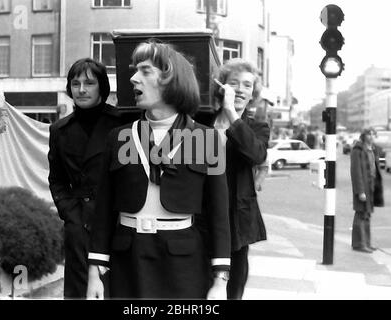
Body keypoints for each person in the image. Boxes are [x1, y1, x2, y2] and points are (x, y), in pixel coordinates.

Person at [86, 40, 231, 299]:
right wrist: (95, 273)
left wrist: (220, 280)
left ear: (170, 79)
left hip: (183, 263)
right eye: (135, 70)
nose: (133, 78)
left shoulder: (208, 139)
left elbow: (219, 213)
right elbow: (103, 211)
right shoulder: (118, 137)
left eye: (145, 71)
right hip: (127, 259)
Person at [48, 58, 122, 298]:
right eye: (75, 83)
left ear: (102, 86)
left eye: (89, 83)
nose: (81, 89)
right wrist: (70, 213)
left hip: (116, 221)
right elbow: (56, 179)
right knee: (80, 292)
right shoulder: (59, 129)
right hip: (79, 223)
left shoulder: (122, 123)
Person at [212, 58, 270, 300]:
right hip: (202, 213)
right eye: (234, 83)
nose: (240, 89)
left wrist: (232, 115)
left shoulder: (257, 127)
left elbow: (256, 153)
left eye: (247, 85)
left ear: (252, 93)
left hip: (236, 217)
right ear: (222, 86)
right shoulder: (203, 120)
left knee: (233, 288)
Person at [350, 128, 384, 253]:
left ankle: (366, 242)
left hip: (371, 187)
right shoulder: (357, 150)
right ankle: (359, 244)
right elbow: (356, 172)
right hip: (363, 188)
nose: (371, 136)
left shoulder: (372, 150)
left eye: (373, 134)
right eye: (369, 134)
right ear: (363, 136)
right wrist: (360, 191)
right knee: (360, 214)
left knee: (367, 215)